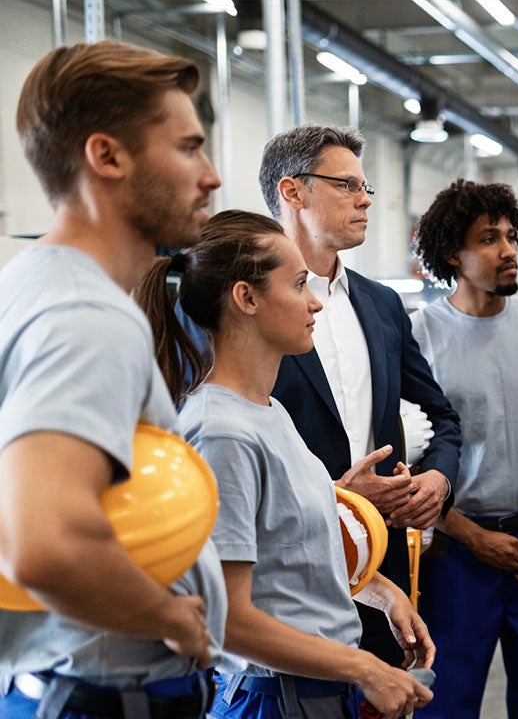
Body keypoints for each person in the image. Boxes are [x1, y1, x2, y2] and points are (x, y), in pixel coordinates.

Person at [0, 42, 225, 718]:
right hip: (98, 696)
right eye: (188, 148)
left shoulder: (29, 284)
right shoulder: (88, 316)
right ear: (107, 156)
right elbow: (43, 543)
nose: (211, 175)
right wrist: (172, 617)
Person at [138, 210, 435, 718]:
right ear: (246, 298)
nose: (315, 301)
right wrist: (364, 668)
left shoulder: (268, 411)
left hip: (313, 690)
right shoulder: (221, 433)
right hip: (274, 697)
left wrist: (382, 593)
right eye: (299, 285)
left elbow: (292, 554)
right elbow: (225, 617)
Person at [257, 125, 462, 667]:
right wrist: (334, 494)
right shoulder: (248, 306)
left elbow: (443, 416)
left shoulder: (382, 306)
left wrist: (437, 478)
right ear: (292, 191)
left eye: (364, 185)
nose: (366, 198)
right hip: (286, 567)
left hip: (382, 558)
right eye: (346, 185)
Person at [409, 179, 518, 718]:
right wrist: (470, 535)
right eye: (488, 239)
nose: (508, 250)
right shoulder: (418, 336)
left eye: (510, 236)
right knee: (446, 701)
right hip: (456, 554)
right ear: (451, 255)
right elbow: (408, 455)